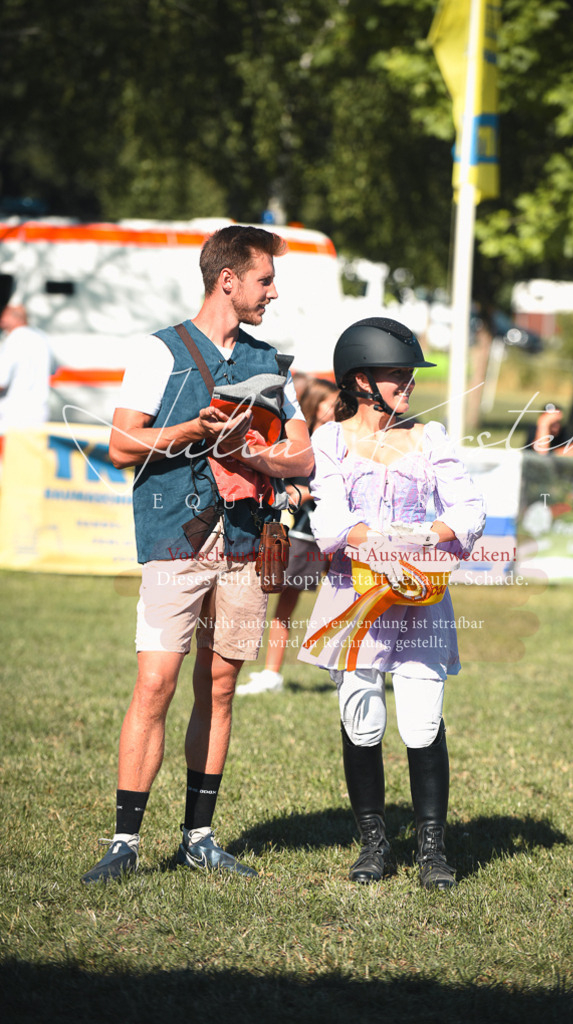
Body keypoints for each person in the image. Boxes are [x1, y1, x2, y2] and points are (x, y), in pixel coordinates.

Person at [81, 226, 314, 883]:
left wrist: (256, 454)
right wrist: (191, 430)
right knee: (154, 683)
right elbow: (123, 445)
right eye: (265, 280)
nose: (273, 292)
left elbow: (304, 454)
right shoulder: (159, 352)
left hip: (244, 545)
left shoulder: (271, 362)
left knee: (220, 686)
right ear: (228, 280)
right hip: (173, 539)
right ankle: (125, 842)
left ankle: (199, 837)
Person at [298, 317, 486, 890]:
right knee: (362, 718)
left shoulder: (431, 439)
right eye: (396, 375)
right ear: (360, 380)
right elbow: (328, 520)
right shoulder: (328, 442)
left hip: (420, 596)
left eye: (410, 375)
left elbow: (472, 509)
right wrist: (377, 543)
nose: (408, 384)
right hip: (353, 596)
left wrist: (430, 535)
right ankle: (374, 843)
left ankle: (432, 848)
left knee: (423, 720)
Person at [237, 377, 338, 695]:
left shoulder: (340, 438)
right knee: (284, 601)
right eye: (331, 402)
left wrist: (309, 493)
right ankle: (272, 673)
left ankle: (351, 672)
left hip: (333, 533)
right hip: (300, 532)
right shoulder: (297, 440)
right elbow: (290, 487)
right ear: (316, 404)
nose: (338, 408)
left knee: (343, 602)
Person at [0, 304, 52, 452]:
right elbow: (53, 370)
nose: (1, 319)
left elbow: (1, 380)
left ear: (14, 318)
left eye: (4, 315)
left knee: (9, 463)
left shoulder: (13, 339)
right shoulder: (41, 337)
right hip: (39, 410)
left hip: (14, 411)